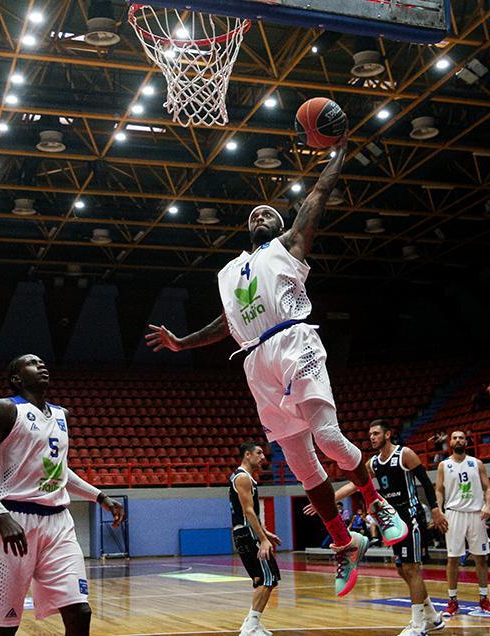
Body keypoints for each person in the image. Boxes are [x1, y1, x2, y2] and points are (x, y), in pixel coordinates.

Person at [145, 138, 407, 597]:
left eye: (268, 214)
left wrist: (338, 155)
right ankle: (345, 543)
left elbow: (317, 196)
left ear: (284, 226)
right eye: (253, 216)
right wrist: (182, 342)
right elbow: (226, 323)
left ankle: (375, 501)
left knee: (328, 439)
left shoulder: (287, 247)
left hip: (293, 339)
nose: (259, 217)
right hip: (255, 360)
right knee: (304, 468)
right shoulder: (231, 272)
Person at [0, 354, 125, 636]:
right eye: (32, 363)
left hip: (59, 522)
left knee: (80, 611)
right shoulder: (4, 409)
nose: (41, 366)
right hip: (14, 521)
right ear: (16, 378)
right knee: (4, 628)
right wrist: (1, 515)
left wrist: (99, 496)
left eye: (42, 362)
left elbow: (58, 471)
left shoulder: (62, 415)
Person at [307, 420, 444, 636]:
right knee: (402, 569)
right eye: (370, 434)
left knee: (411, 568)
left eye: (376, 433)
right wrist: (325, 502)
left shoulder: (404, 454)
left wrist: (435, 509)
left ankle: (418, 625)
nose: (372, 437)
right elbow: (354, 485)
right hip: (392, 520)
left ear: (388, 434)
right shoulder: (373, 463)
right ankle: (433, 617)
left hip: (410, 515)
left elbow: (426, 482)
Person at [434, 431, 490, 617]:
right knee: (453, 558)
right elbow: (439, 490)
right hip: (454, 514)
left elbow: (488, 488)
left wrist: (488, 505)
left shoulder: (477, 463)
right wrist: (439, 510)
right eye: (454, 438)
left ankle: (484, 598)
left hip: (476, 514)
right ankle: (452, 601)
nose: (458, 440)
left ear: (466, 442)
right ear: (450, 443)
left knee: (481, 557)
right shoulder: (443, 465)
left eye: (461, 438)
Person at [230, 442, 281, 636]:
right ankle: (250, 627)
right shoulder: (243, 478)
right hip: (248, 533)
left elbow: (249, 513)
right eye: (259, 453)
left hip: (244, 532)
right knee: (269, 578)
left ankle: (250, 624)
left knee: (262, 579)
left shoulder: (242, 477)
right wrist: (263, 539)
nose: (263, 457)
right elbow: (248, 511)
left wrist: (266, 532)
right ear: (247, 455)